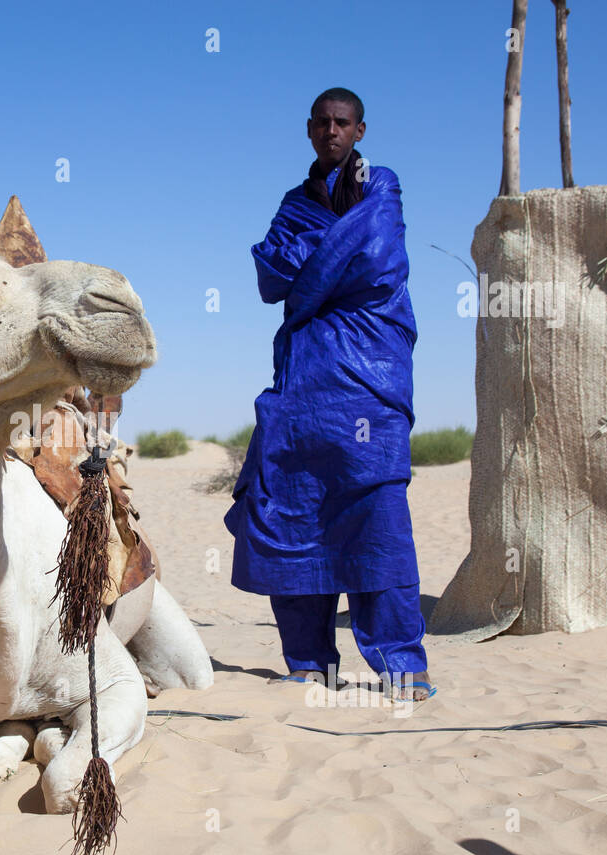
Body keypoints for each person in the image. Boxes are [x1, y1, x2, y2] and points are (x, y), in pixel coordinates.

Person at [225, 87, 434, 702]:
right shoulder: (294, 204)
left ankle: (402, 664)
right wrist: (324, 261)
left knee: (380, 520)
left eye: (343, 123)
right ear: (309, 130)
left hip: (371, 382)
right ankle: (308, 661)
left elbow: (377, 266)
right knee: (294, 512)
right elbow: (270, 275)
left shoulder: (382, 190)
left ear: (360, 129)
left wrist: (313, 265)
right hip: (303, 393)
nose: (332, 132)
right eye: (322, 123)